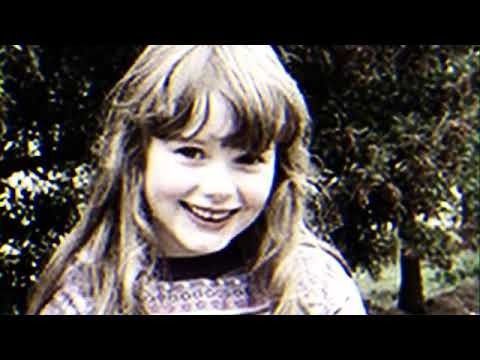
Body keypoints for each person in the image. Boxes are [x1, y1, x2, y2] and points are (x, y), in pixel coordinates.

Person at [27, 45, 366, 315]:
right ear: (136, 155)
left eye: (247, 159)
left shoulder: (315, 289)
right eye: (191, 153)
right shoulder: (89, 299)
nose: (218, 189)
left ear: (280, 169)